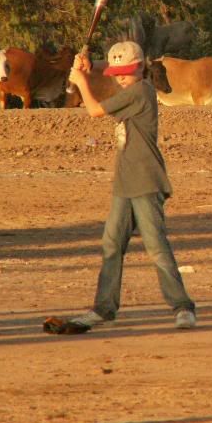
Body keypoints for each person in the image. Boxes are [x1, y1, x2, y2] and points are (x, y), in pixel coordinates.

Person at [64, 41, 197, 331]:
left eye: (126, 71)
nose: (121, 76)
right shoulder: (129, 87)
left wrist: (82, 81)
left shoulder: (141, 91)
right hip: (124, 182)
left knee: (156, 246)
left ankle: (183, 307)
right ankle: (104, 308)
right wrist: (93, 65)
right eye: (117, 72)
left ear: (140, 68)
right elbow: (109, 72)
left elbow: (95, 111)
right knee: (111, 243)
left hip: (146, 181)